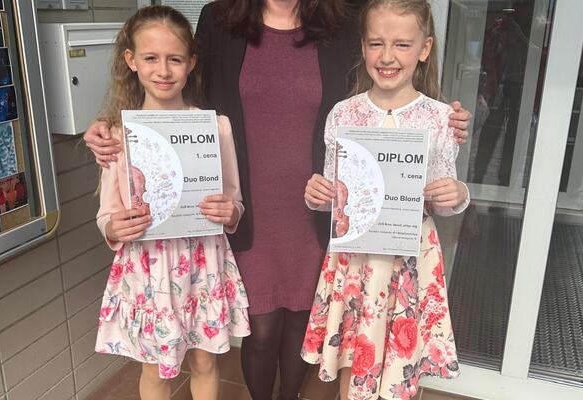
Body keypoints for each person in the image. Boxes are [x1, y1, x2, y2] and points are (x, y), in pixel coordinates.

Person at [83, 1, 471, 399]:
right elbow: (179, 88)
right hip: (246, 203)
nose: (386, 51)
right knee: (262, 327)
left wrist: (445, 120)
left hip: (319, 204)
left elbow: (388, 84)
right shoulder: (220, 18)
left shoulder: (344, 19)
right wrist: (114, 124)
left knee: (302, 323)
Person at [301, 1, 469, 399]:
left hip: (409, 259)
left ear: (424, 49)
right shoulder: (343, 114)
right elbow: (335, 194)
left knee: (401, 366)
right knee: (352, 356)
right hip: (356, 258)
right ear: (363, 47)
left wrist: (459, 193)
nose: (387, 56)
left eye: (402, 44)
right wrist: (317, 195)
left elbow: (443, 200)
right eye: (376, 43)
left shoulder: (439, 118)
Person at [93, 6, 250, 400]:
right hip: (148, 267)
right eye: (150, 58)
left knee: (205, 360)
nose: (163, 70)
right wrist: (114, 226)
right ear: (131, 60)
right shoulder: (119, 134)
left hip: (203, 263)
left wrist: (230, 212)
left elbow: (234, 199)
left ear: (191, 63)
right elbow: (107, 214)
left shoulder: (216, 127)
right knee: (155, 367)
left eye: (175, 59)